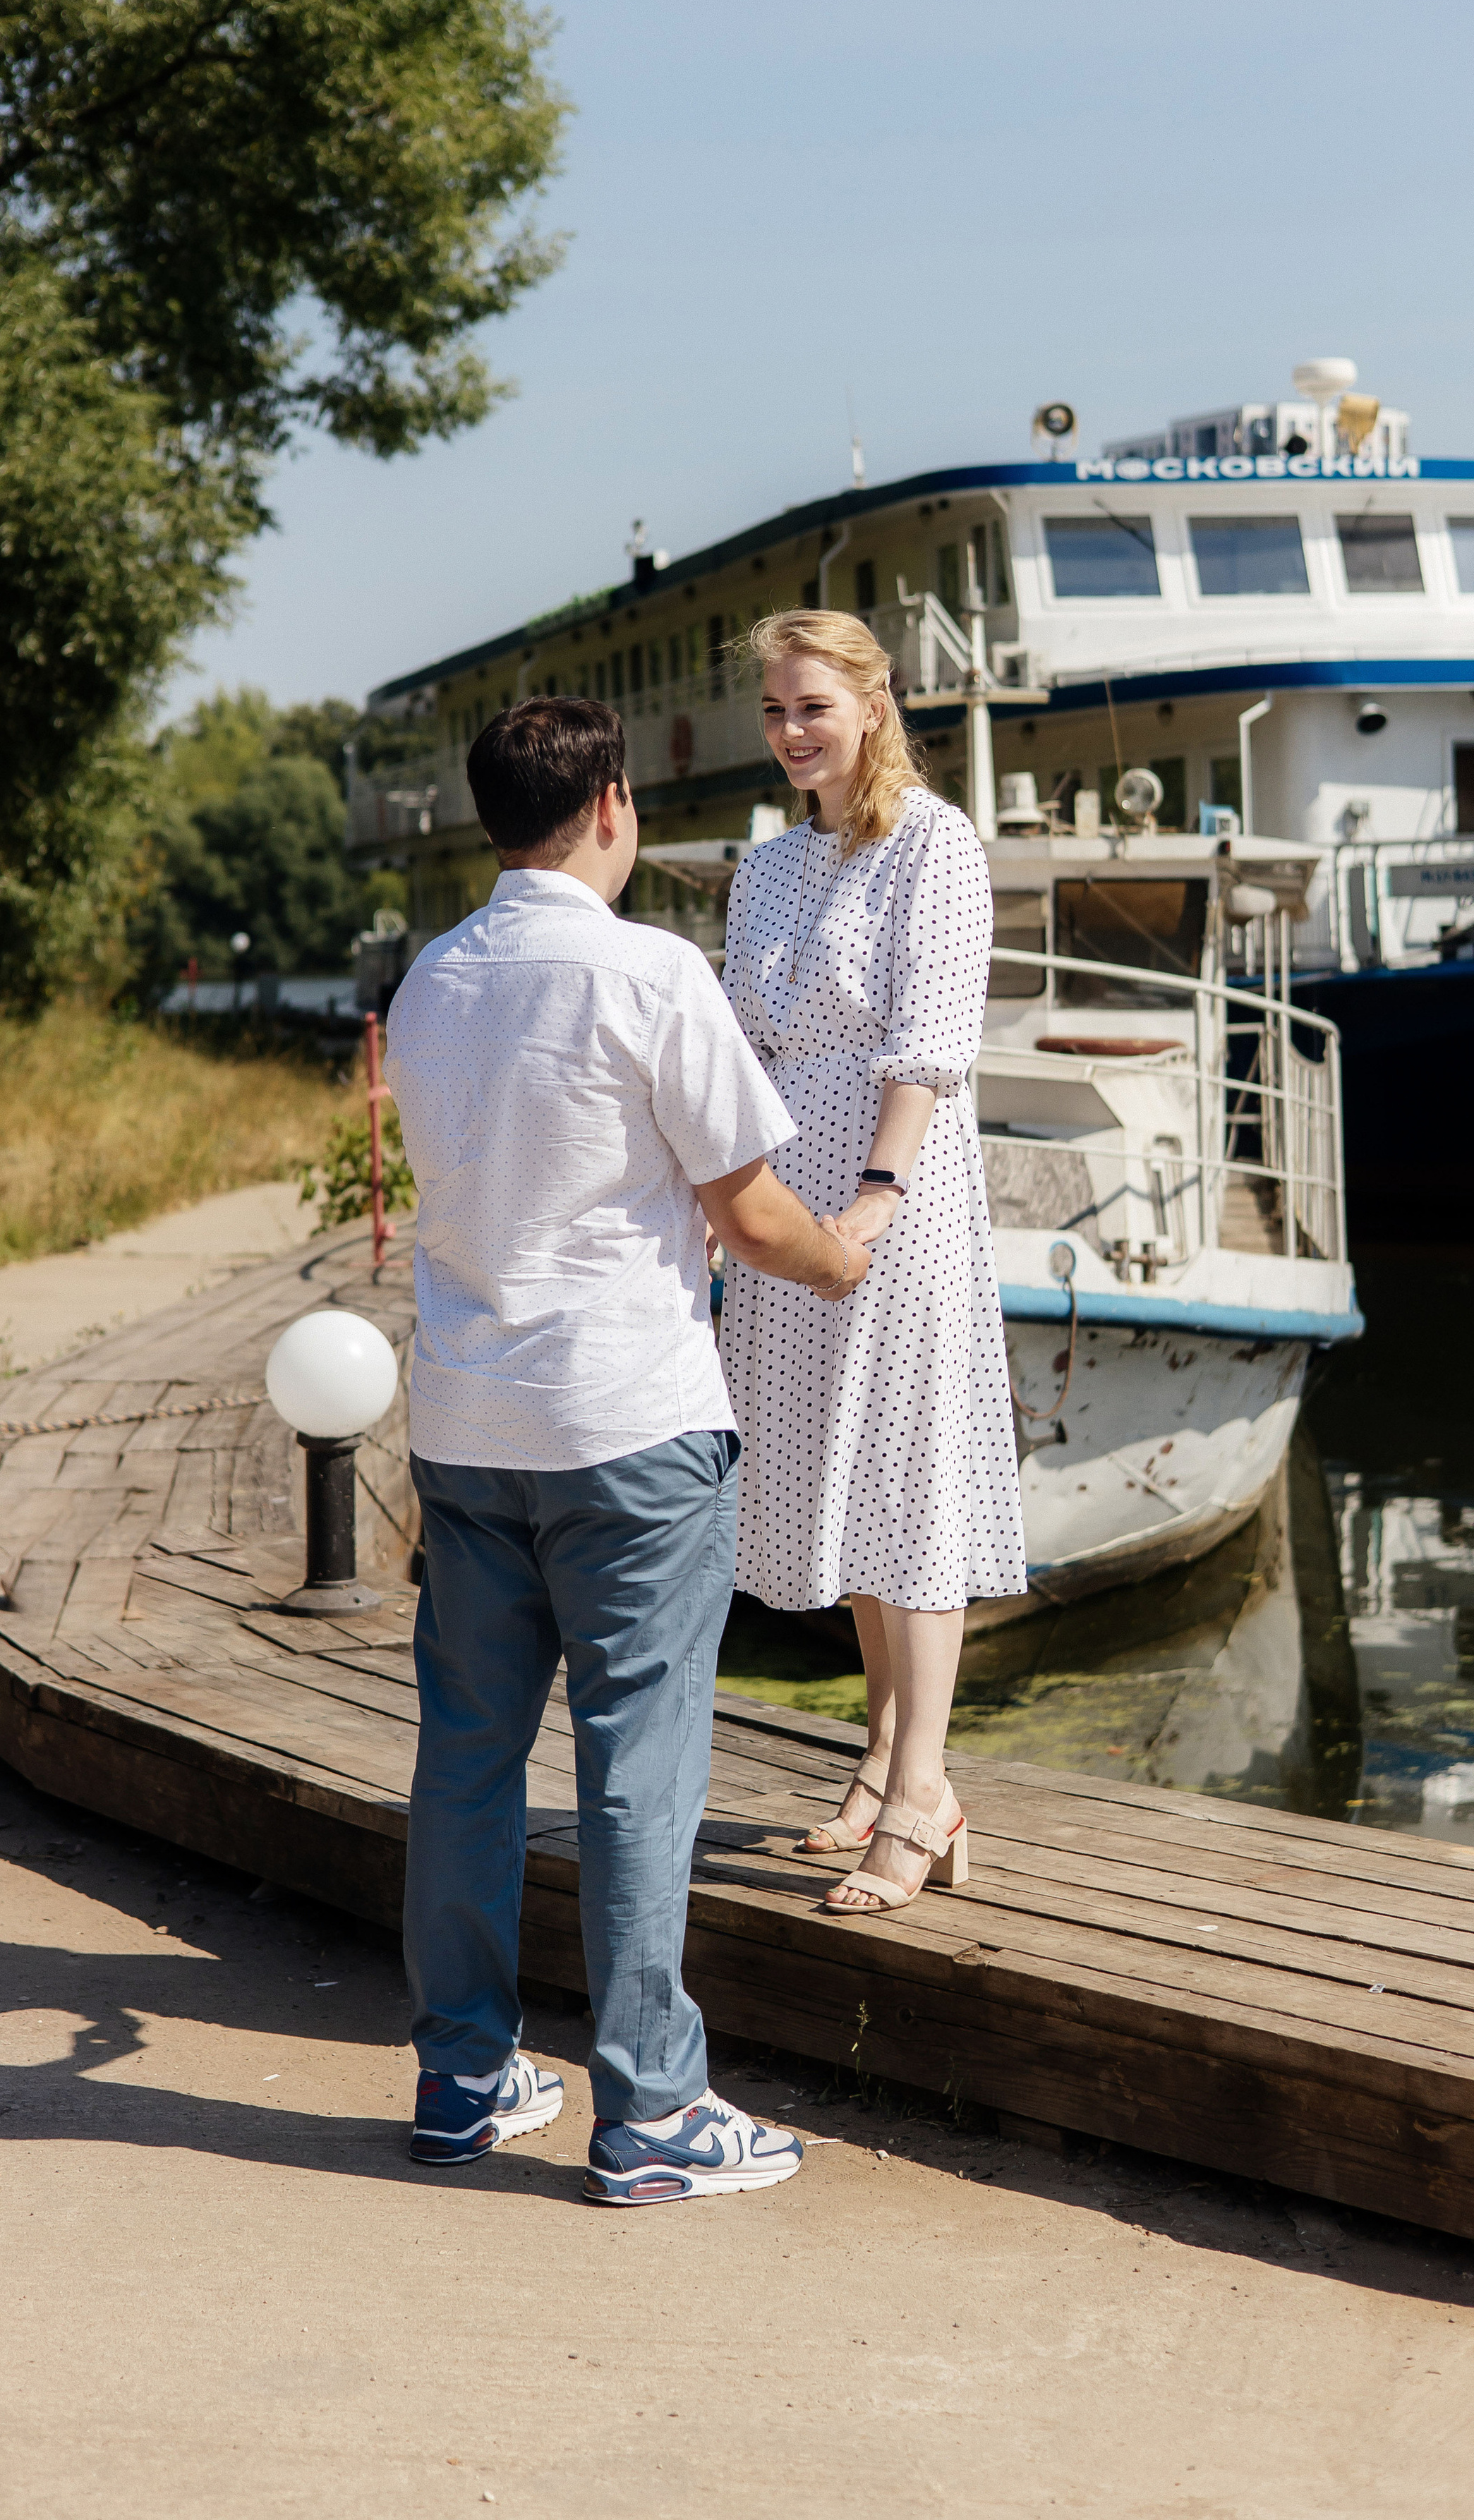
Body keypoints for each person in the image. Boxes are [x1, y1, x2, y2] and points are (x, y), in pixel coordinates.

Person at [385, 693, 872, 2203]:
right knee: (635, 1765)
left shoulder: (429, 982)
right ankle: (651, 2109)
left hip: (466, 1424)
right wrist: (848, 1255)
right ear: (608, 804)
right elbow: (750, 1209)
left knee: (464, 1761)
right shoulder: (649, 972)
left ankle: (464, 2077)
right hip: (626, 1429)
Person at [719, 610, 1027, 1917]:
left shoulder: (934, 844)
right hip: (791, 1190)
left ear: (873, 702)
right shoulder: (770, 868)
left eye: (813, 709)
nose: (793, 733)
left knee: (909, 1480)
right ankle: (879, 1760)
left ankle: (925, 1795)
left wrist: (879, 1197)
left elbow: (930, 1039)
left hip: (894, 1187)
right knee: (832, 1472)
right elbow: (737, 1038)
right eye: (777, 712)